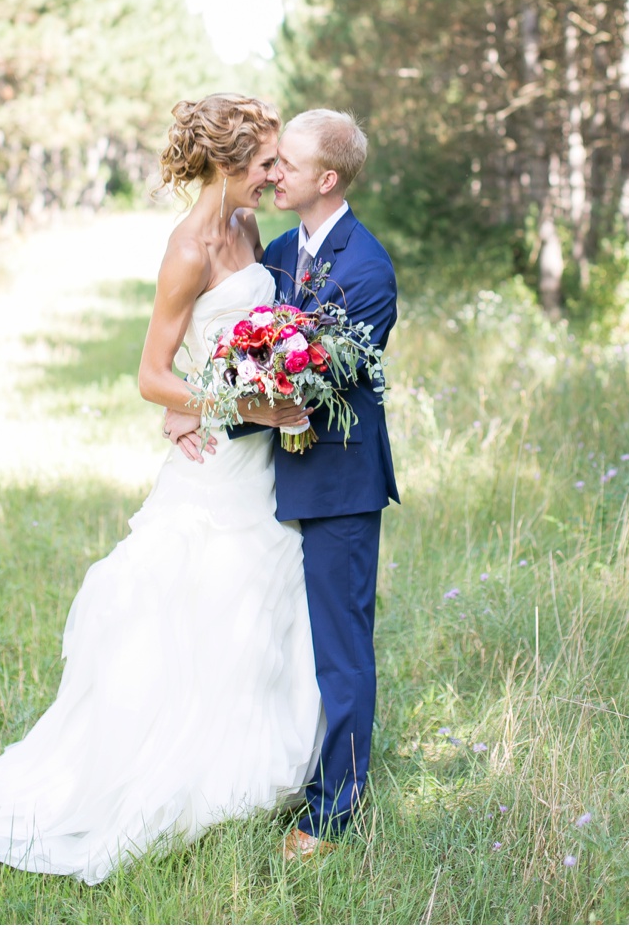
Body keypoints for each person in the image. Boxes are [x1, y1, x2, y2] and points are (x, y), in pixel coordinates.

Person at [0, 94, 323, 885]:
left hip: (259, 459)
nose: (274, 175)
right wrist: (227, 404)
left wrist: (263, 381)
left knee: (255, 605)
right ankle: (159, 772)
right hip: (214, 459)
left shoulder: (248, 229)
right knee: (191, 605)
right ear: (228, 163)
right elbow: (151, 375)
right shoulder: (188, 247)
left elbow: (238, 340)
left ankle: (242, 768)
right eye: (265, 162)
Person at [165, 107, 399, 863]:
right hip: (268, 473)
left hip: (336, 483)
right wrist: (193, 402)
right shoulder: (277, 247)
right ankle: (274, 767)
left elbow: (306, 378)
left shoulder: (368, 271)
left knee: (339, 647)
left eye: (286, 164)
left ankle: (333, 814)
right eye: (269, 162)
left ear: (324, 179)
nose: (273, 173)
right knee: (271, 637)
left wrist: (212, 402)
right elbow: (239, 347)